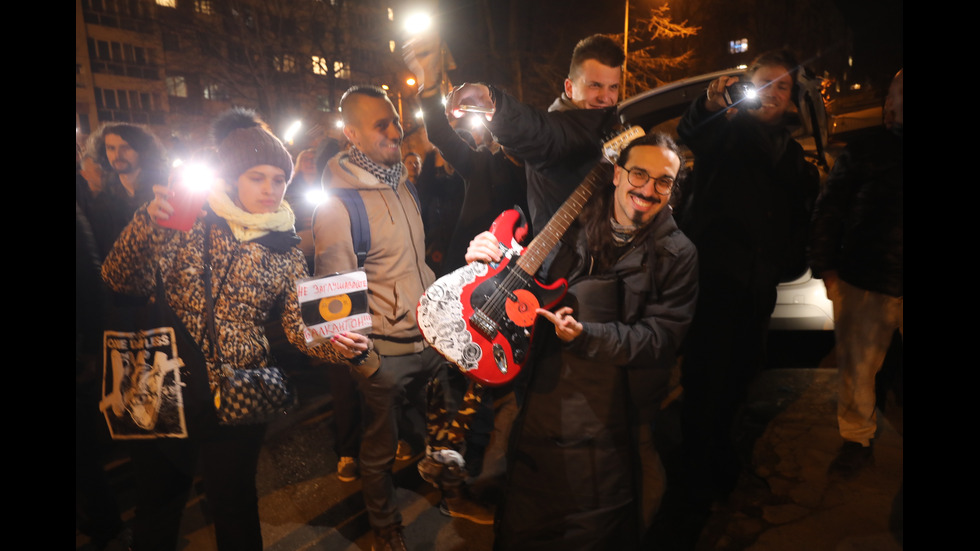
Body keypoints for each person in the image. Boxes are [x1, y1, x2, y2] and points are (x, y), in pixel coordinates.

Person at [464, 133, 698, 549]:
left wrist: (587, 335)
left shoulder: (678, 254)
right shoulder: (568, 228)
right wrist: (488, 258)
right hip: (546, 401)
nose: (647, 188)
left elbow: (660, 339)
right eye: (638, 174)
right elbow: (521, 283)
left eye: (664, 181)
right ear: (616, 174)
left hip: (621, 415)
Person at [101, 108, 313, 551]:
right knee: (159, 501)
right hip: (162, 378)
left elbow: (299, 326)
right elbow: (119, 279)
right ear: (234, 177)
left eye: (279, 179)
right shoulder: (186, 216)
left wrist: (342, 345)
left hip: (238, 387)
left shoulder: (286, 245)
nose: (270, 190)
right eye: (258, 177)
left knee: (233, 502)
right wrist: (146, 224)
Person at [311, 85, 486, 551]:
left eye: (394, 119)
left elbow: (416, 264)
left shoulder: (402, 183)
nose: (395, 130)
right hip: (384, 352)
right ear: (351, 134)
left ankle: (453, 492)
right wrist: (368, 364)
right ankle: (386, 527)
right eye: (380, 124)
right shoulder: (337, 205)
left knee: (445, 429)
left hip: (429, 339)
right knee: (379, 452)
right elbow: (333, 299)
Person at [675, 50, 820, 515]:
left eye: (783, 87)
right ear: (745, 86)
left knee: (740, 381)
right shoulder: (727, 133)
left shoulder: (791, 153)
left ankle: (723, 464)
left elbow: (800, 206)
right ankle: (693, 482)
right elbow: (691, 129)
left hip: (758, 289)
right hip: (715, 282)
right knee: (704, 384)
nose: (773, 94)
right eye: (765, 83)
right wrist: (713, 103)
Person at [808, 69, 903, 478]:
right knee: (858, 371)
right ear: (889, 105)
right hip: (865, 279)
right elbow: (830, 209)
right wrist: (826, 268)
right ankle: (857, 440)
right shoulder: (864, 149)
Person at [83, 122, 169, 259]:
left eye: (126, 147)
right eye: (111, 148)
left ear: (142, 150)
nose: (117, 154)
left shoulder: (164, 189)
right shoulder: (102, 201)